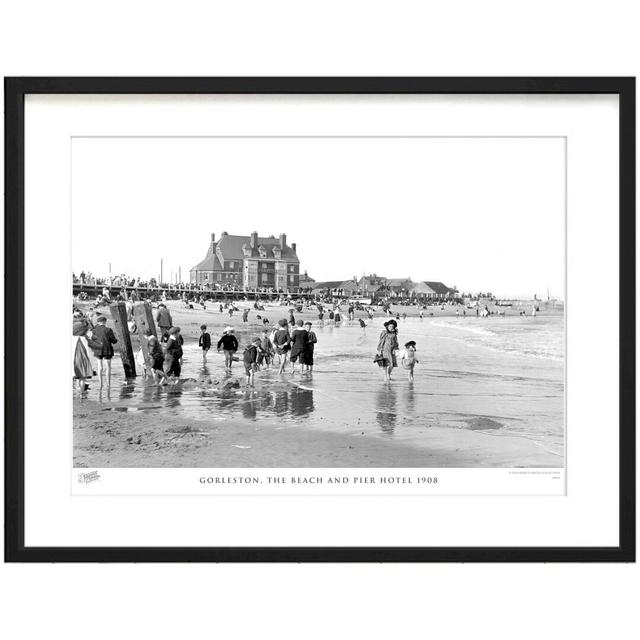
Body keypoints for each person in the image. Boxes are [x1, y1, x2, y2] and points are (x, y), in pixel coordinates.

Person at [89, 315, 118, 389]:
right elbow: (113, 340)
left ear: (98, 322)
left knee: (100, 367)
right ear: (105, 322)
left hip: (98, 349)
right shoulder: (108, 329)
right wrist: (116, 340)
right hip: (107, 349)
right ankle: (108, 384)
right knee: (108, 367)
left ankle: (100, 383)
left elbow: (93, 339)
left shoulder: (94, 330)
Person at [72, 311, 94, 392]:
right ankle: (81, 393)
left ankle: (77, 390)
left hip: (74, 352)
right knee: (82, 377)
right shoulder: (85, 333)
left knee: (76, 375)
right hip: (83, 352)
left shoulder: (73, 330)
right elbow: (91, 335)